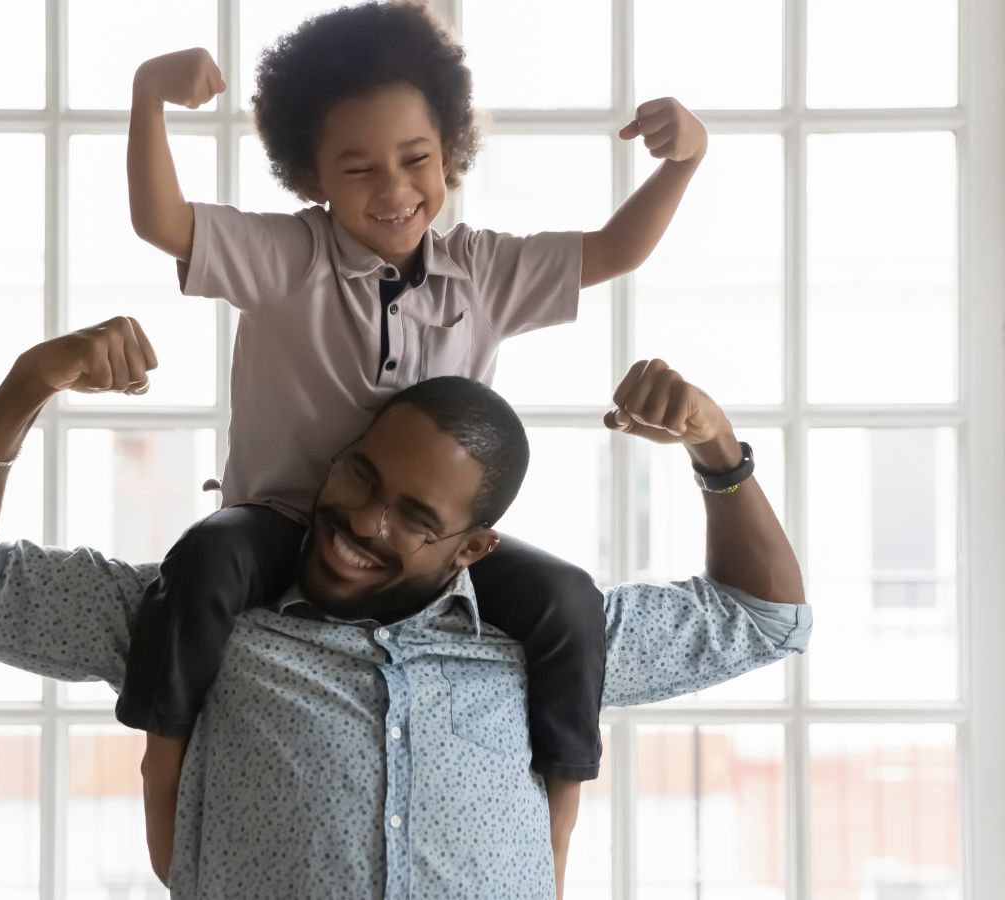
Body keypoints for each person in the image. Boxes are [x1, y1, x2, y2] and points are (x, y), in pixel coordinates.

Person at [0, 318, 810, 900]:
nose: (360, 519)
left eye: (413, 516)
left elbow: (765, 618)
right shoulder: (199, 611)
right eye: (359, 475)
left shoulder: (548, 639)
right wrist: (31, 384)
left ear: (471, 547)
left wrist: (718, 449)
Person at [122, 0, 712, 847]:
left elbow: (614, 248)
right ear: (312, 174)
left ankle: (558, 828)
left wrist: (685, 162)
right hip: (286, 525)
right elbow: (162, 222)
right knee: (207, 557)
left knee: (569, 601)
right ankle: (162, 768)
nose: (395, 190)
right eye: (358, 169)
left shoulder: (486, 269)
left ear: (451, 152)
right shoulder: (285, 257)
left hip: (432, 550)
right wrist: (148, 97)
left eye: (416, 159)